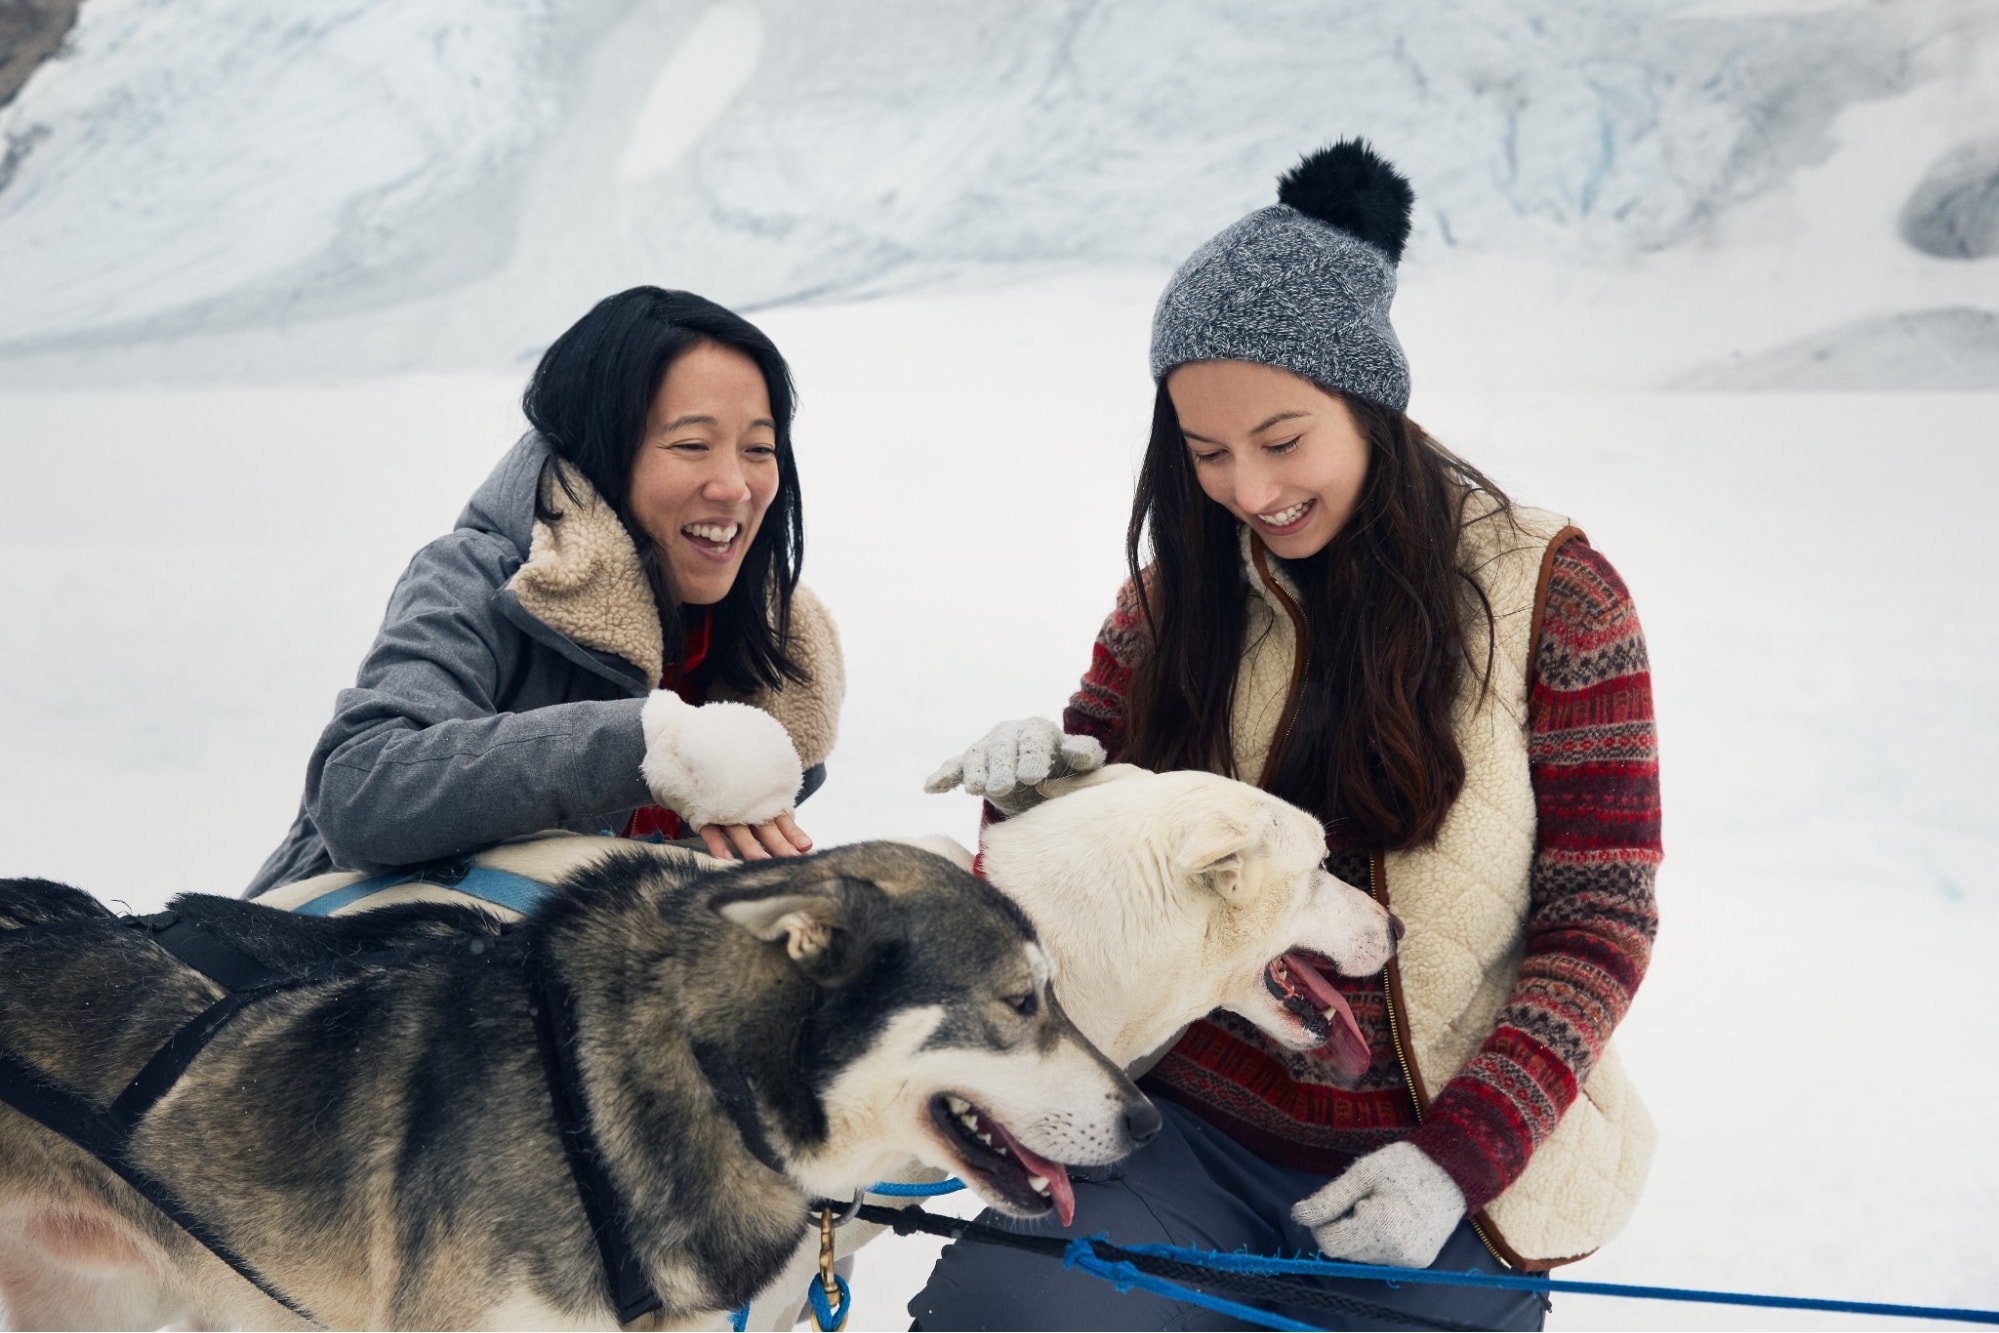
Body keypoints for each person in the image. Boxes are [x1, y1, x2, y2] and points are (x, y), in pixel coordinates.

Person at [915, 142, 1659, 1330]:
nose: (1248, 489)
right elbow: (1088, 846)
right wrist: (1036, 791)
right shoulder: (1176, 600)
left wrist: (1456, 1161)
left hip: (1442, 1173)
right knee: (1004, 1315)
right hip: (1180, 1132)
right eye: (1206, 454)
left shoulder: (1558, 597)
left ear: (1368, 400)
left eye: (1281, 438)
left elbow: (1600, 918)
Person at [246, 286, 843, 897]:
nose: (734, 486)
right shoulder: (478, 577)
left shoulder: (770, 648)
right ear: (602, 449)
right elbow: (361, 792)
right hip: (334, 971)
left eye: (759, 449)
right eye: (692, 445)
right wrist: (650, 743)